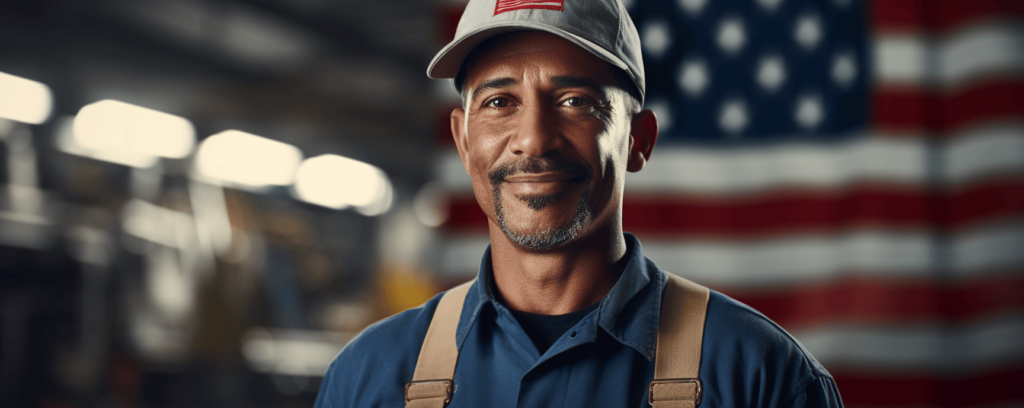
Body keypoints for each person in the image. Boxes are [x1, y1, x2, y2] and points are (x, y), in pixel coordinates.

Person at [314, 0, 843, 406]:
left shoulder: (762, 376)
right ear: (462, 141)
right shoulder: (368, 377)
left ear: (639, 140)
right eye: (499, 102)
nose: (534, 139)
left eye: (575, 102)